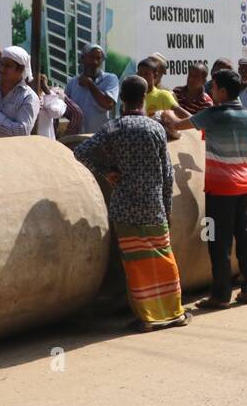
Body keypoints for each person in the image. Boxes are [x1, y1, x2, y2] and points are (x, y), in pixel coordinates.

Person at [74, 74, 188, 331]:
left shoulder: (112, 128)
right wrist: (167, 208)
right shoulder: (156, 128)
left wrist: (107, 170)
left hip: (124, 207)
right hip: (153, 205)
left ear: (122, 99)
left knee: (136, 264)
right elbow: (167, 173)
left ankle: (146, 317)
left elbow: (80, 152)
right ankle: (173, 313)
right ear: (145, 97)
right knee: (163, 258)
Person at [164, 69, 247, 308]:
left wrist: (167, 112)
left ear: (223, 91)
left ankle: (220, 295)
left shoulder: (214, 115)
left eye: (214, 87)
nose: (210, 90)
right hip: (244, 186)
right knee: (245, 237)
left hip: (220, 190)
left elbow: (179, 125)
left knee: (218, 241)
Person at [0, 47, 40, 138]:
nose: (2, 69)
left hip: (10, 151)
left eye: (7, 66)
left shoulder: (28, 97)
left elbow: (23, 131)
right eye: (1, 64)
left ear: (20, 69)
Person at [63, 41, 120, 134]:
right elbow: (65, 108)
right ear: (82, 59)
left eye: (98, 58)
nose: (95, 62)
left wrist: (90, 84)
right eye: (91, 58)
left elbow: (108, 104)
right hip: (78, 137)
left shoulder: (110, 79)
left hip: (102, 137)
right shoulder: (73, 83)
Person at [139, 56, 186, 122]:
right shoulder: (135, 94)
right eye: (141, 73)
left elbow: (178, 118)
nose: (143, 77)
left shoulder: (167, 94)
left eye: (147, 73)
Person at [33, 73, 68, 139]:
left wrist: (46, 91)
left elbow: (56, 112)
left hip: (46, 142)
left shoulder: (51, 94)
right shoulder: (22, 95)